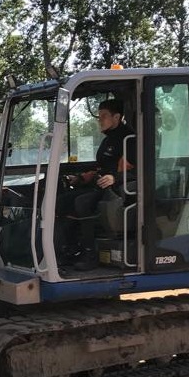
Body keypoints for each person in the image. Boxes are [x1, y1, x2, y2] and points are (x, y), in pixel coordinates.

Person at [56, 98, 135, 271]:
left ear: (117, 117)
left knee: (82, 202)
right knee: (62, 200)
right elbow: (100, 167)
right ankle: (68, 249)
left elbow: (138, 170)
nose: (100, 119)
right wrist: (81, 178)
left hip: (116, 190)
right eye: (99, 116)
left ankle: (90, 254)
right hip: (100, 185)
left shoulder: (129, 139)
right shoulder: (109, 139)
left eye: (104, 116)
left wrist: (115, 178)